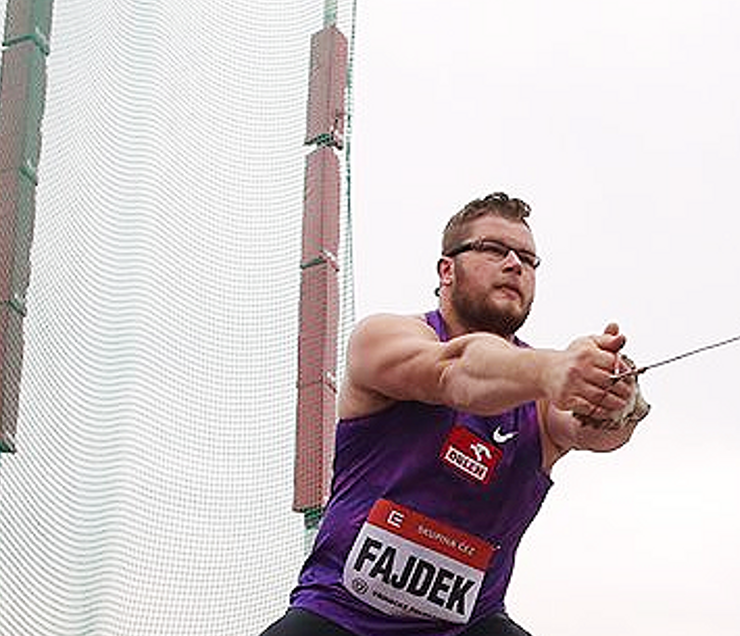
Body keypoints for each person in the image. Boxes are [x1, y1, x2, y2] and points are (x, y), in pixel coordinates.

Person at [262, 191, 650, 636]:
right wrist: (555, 368)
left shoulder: (544, 393)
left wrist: (618, 398)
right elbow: (455, 373)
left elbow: (595, 428)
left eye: (527, 257)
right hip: (340, 616)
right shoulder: (384, 338)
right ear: (447, 269)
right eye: (493, 249)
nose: (513, 264)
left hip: (468, 627)